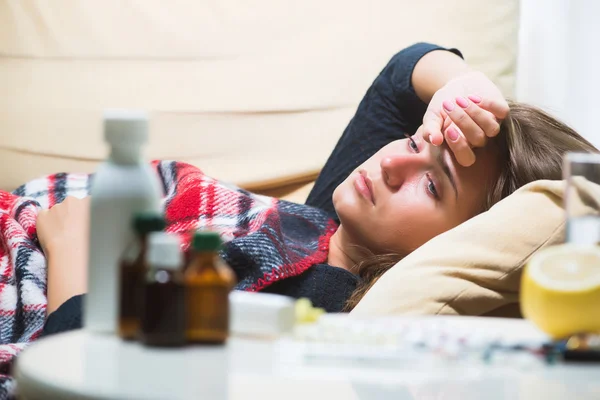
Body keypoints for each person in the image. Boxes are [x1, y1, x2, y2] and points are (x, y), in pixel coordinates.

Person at [30, 43, 597, 336]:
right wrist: (465, 89)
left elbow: (82, 362)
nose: (396, 160)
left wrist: (71, 252)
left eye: (431, 182)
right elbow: (402, 74)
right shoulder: (339, 217)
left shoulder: (318, 302)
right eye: (418, 137)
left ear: (464, 243)